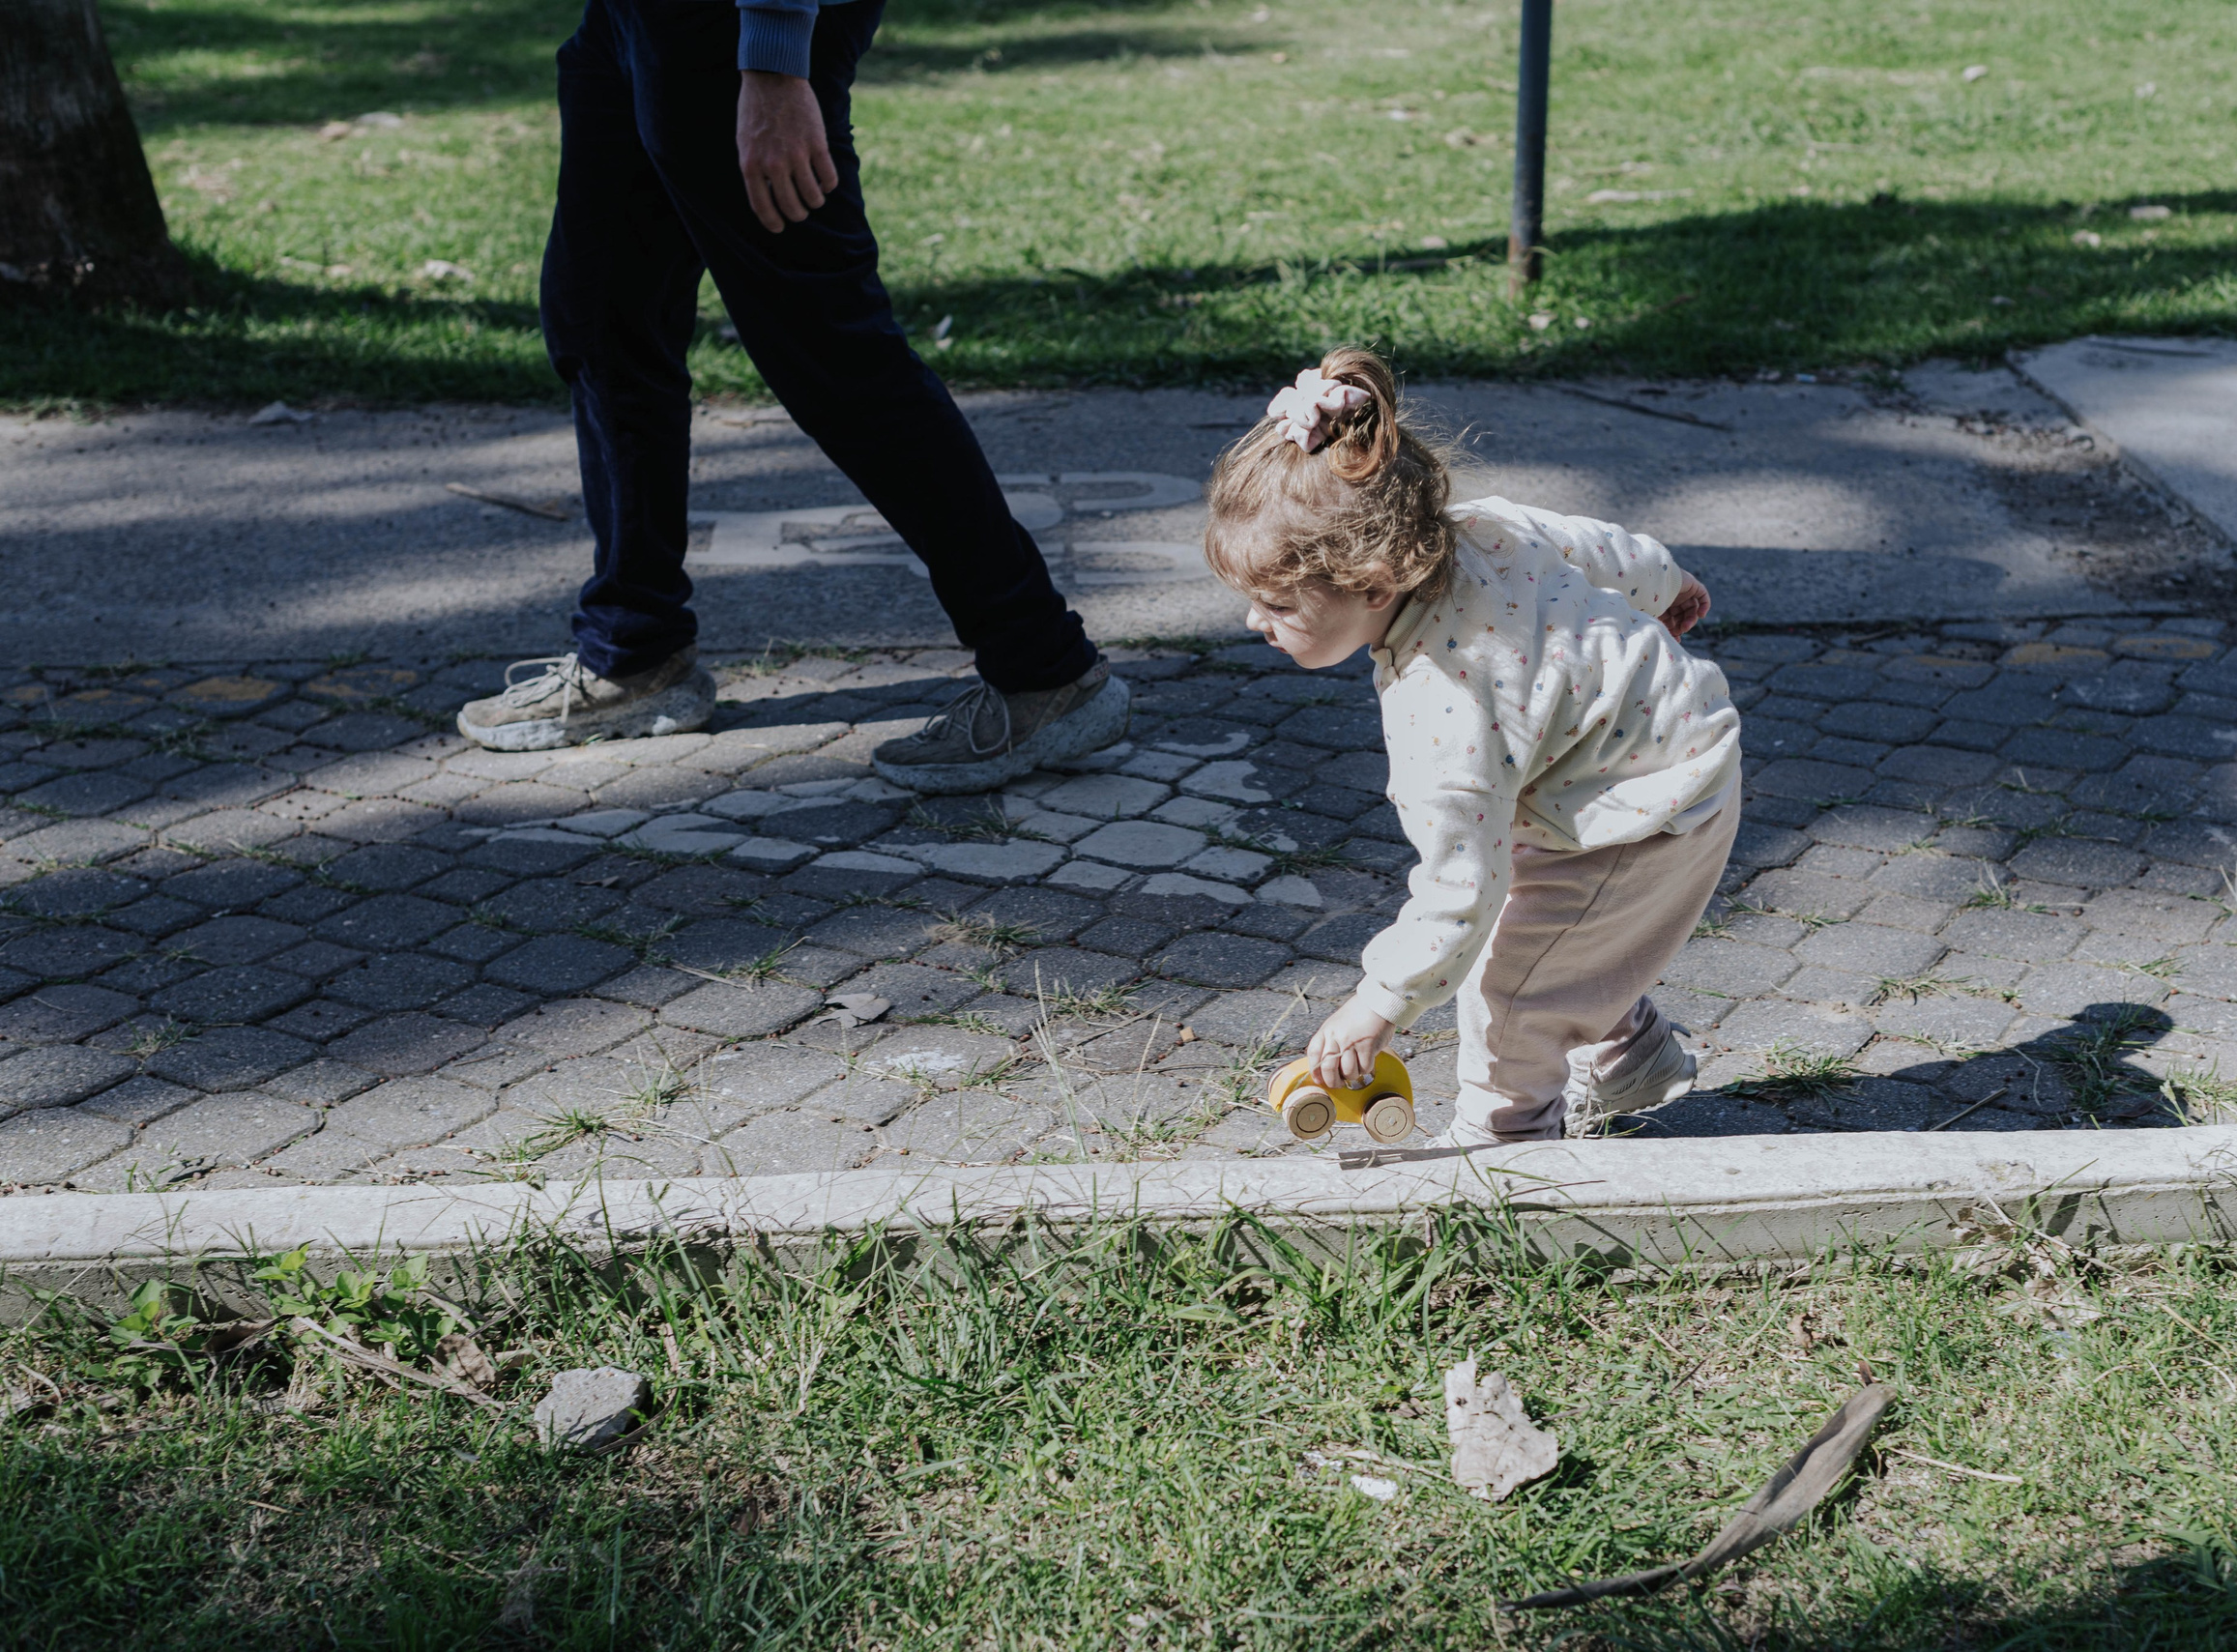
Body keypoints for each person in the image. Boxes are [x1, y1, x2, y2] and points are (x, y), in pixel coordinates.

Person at [454, 0, 1128, 794]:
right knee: (602, 317)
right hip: (630, 17)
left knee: (829, 348)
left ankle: (1042, 666)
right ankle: (633, 653)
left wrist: (774, 56)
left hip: (733, 30)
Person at [1204, 350, 1742, 1147]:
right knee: (1556, 935)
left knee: (1510, 988)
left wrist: (1378, 1002)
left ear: (1374, 583)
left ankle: (1505, 1147)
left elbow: (1460, 891)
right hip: (1651, 745)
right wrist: (1668, 586)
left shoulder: (1444, 706)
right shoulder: (1475, 528)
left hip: (1649, 807)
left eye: (1277, 603)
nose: (1257, 622)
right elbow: (1601, 549)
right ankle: (1630, 1054)